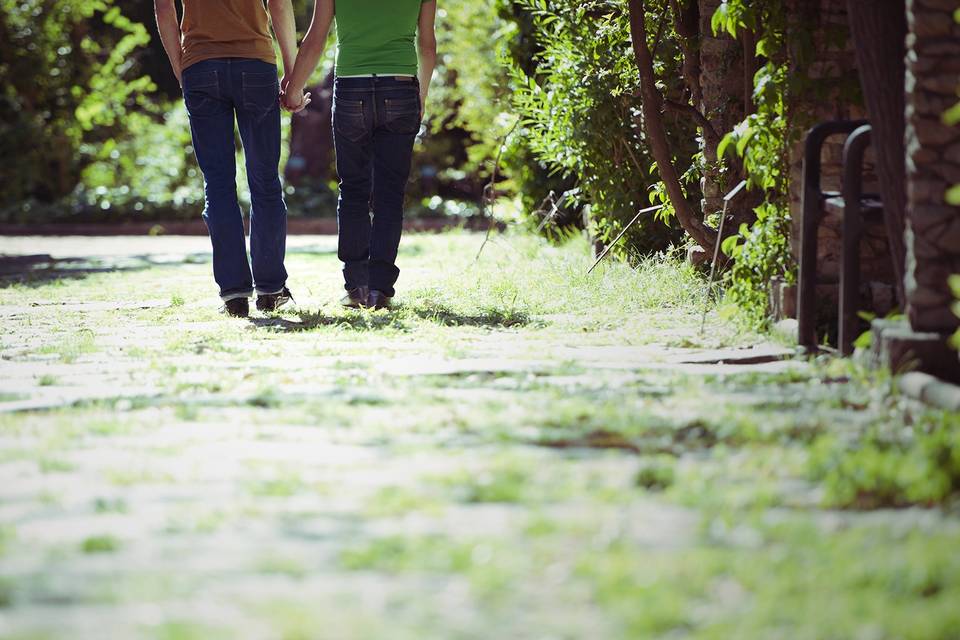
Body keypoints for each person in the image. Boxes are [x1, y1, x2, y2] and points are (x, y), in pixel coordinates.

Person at [153, 0, 310, 318]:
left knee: (218, 183)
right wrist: (293, 74)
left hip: (200, 65)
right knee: (265, 179)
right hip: (255, 64)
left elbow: (163, 9)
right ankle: (270, 289)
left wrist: (180, 69)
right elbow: (279, 6)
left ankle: (235, 293)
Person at [282, 0, 438, 309]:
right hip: (401, 87)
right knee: (389, 194)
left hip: (352, 89)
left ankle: (356, 286)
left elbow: (316, 40)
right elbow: (428, 46)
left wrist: (293, 89)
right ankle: (380, 289)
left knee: (353, 189)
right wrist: (421, 95)